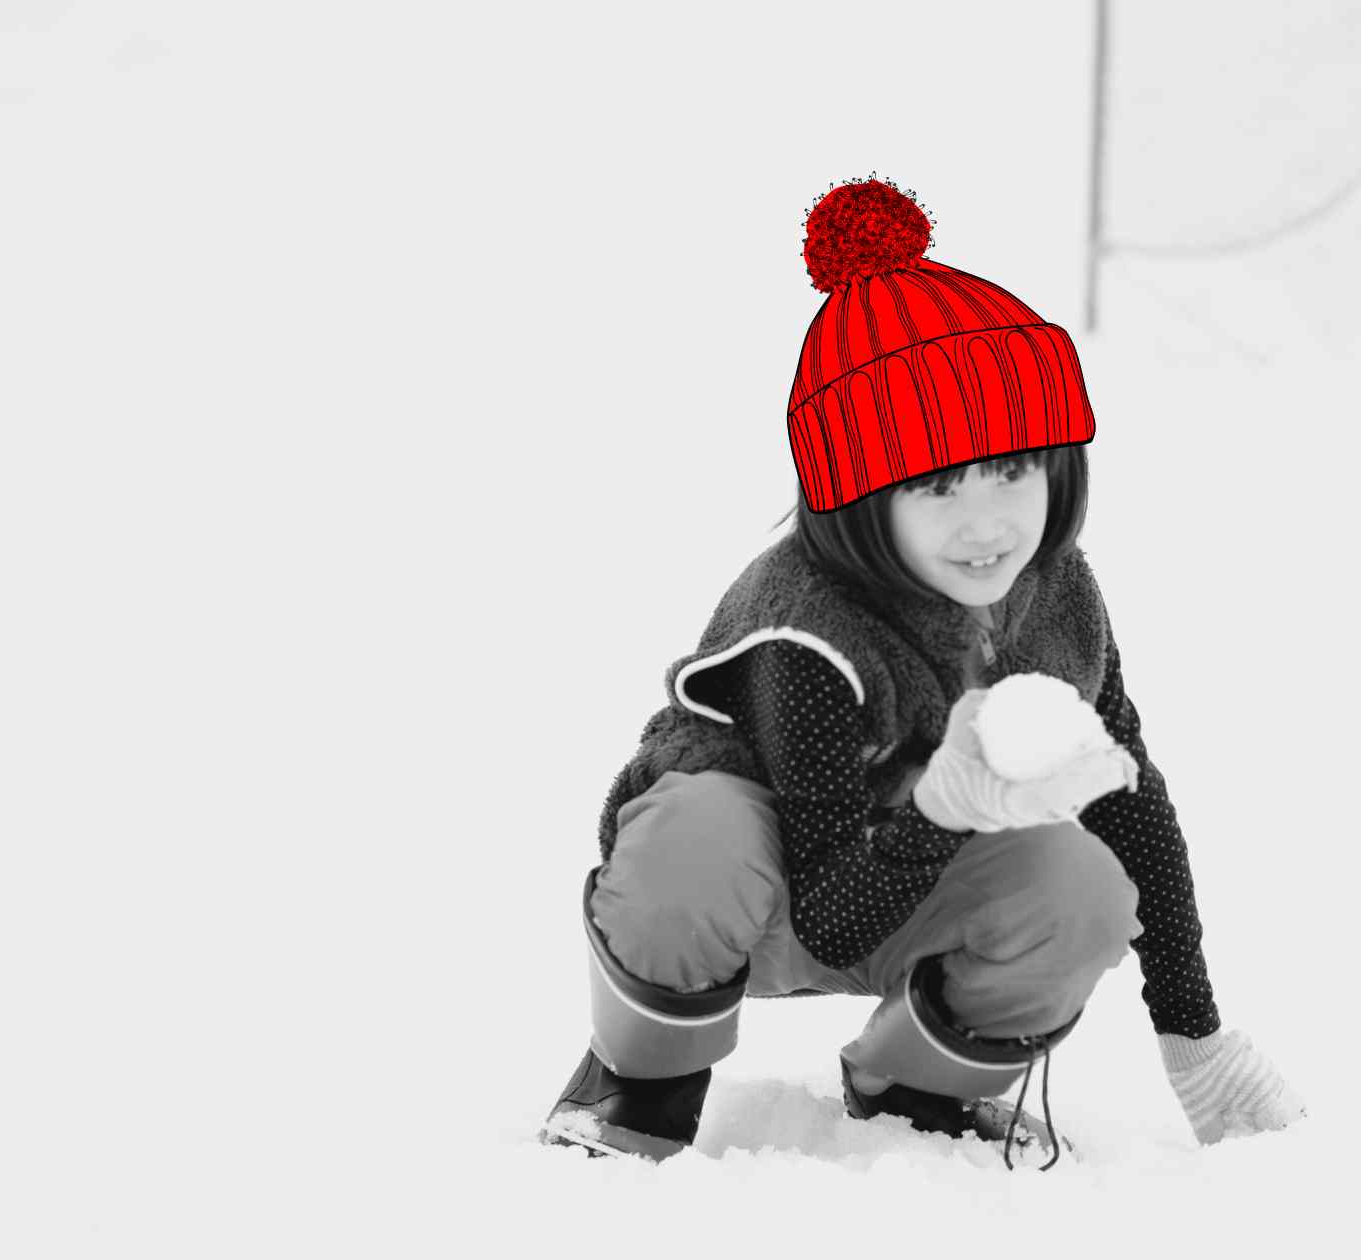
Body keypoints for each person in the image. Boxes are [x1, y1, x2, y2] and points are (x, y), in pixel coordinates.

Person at [539, 177, 1304, 1169]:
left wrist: (1191, 1030)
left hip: (915, 886)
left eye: (1011, 470)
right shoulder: (805, 636)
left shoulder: (1055, 595)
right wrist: (941, 808)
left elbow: (1127, 796)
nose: (985, 523)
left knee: (1082, 884)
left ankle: (918, 1085)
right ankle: (638, 1082)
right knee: (697, 840)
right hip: (762, 896)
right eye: (935, 485)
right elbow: (821, 916)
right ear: (858, 497)